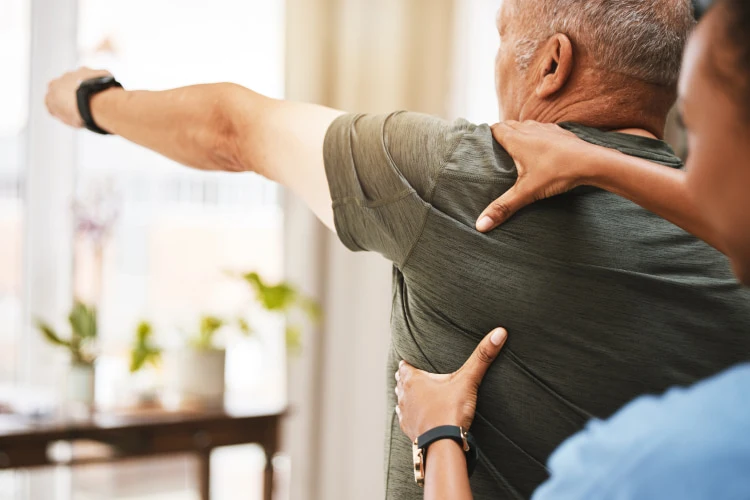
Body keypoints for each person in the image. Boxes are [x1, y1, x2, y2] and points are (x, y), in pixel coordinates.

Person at [44, 1, 750, 498]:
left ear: (552, 66)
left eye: (503, 37)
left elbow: (232, 127)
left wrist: (92, 101)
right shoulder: (731, 223)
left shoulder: (465, 173)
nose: (497, 62)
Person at [395, 0, 750, 498]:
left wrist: (437, 434)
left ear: (553, 64)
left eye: (693, 126)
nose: (686, 175)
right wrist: (596, 162)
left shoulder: (636, 465)